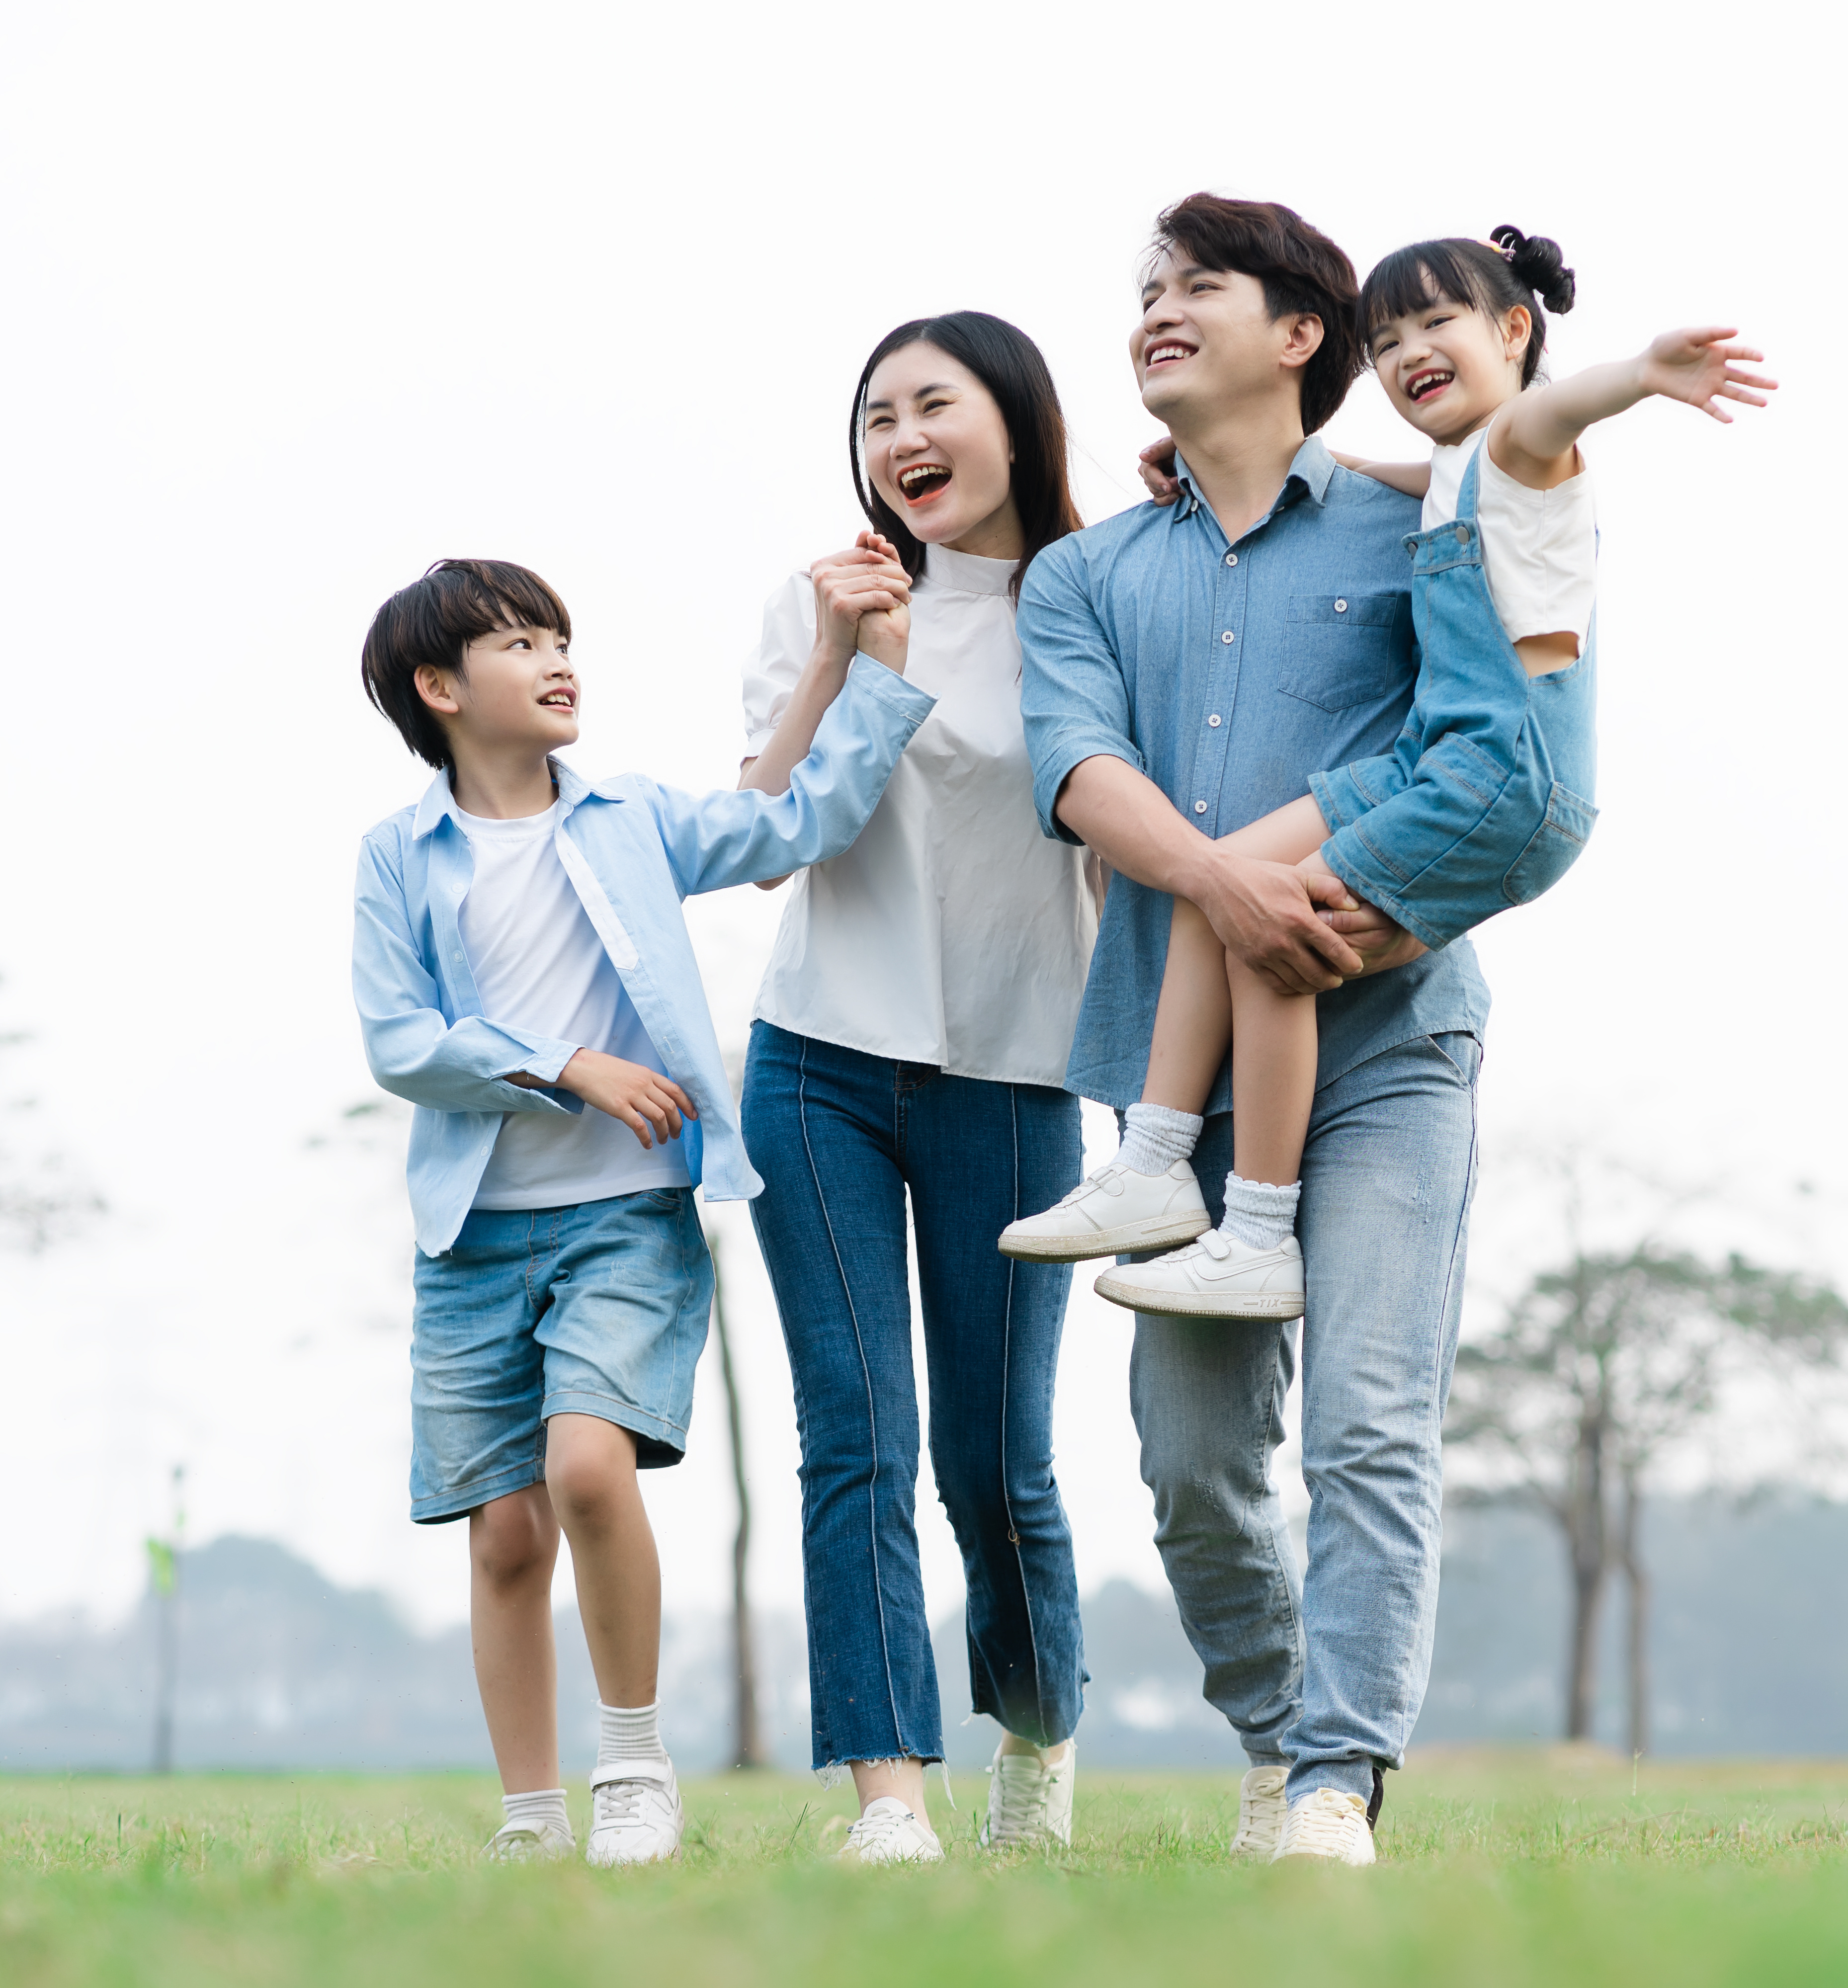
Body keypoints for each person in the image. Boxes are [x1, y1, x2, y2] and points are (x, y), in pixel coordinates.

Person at [1003, 230, 1775, 1320]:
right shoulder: (1456, 469)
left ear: (1515, 329)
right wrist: (1251, 468)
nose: (1409, 350)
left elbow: (1549, 414)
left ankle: (1258, 1229)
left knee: (1273, 929)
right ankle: (1155, 1163)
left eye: (1437, 324)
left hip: (1501, 774)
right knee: (1218, 877)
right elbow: (1401, 471)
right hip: (1434, 765)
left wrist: (1641, 377)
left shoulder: (1523, 444)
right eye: (1389, 337)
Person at [1013, 191, 1504, 1867]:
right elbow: (1081, 777)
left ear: (1304, 337)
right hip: (1176, 1079)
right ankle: (1277, 1726)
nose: (1156, 310)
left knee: (1372, 1424)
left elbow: (1477, 744)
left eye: (1196, 286)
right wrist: (1228, 888)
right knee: (1195, 1463)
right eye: (1144, 289)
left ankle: (1333, 1786)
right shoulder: (1084, 572)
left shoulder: (1423, 528)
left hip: (1393, 1045)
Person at [351, 557, 933, 1864]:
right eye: (518, 643)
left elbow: (789, 822)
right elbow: (399, 1042)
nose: (558, 657)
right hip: (471, 1239)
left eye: (559, 634)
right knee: (504, 1533)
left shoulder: (628, 819)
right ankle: (529, 1818)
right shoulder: (399, 857)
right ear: (439, 690)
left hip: (627, 1218)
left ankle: (631, 1771)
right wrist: (564, 1068)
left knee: (587, 1470)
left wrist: (858, 665)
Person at [737, 312, 1101, 1865]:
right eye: (875, 416)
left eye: (930, 404)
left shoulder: (1098, 601)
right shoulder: (821, 600)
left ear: (1014, 421)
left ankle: (1037, 1728)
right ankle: (888, 1793)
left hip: (1018, 1076)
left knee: (991, 1460)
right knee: (856, 1433)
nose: (899, 440)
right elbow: (772, 828)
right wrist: (843, 656)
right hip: (820, 1059)